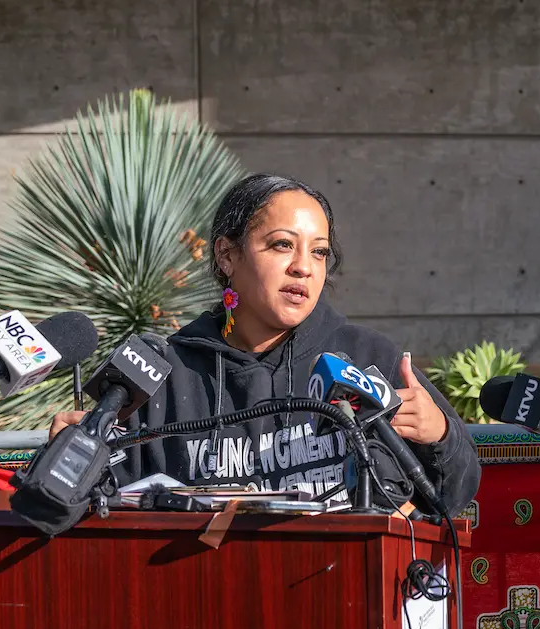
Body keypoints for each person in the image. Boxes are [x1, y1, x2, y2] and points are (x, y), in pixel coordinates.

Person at [50, 174, 480, 518]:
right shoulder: (161, 373)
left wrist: (437, 435)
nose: (303, 268)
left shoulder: (367, 357)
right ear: (226, 255)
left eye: (319, 252)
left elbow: (454, 496)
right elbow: (96, 508)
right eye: (282, 245)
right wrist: (71, 460)